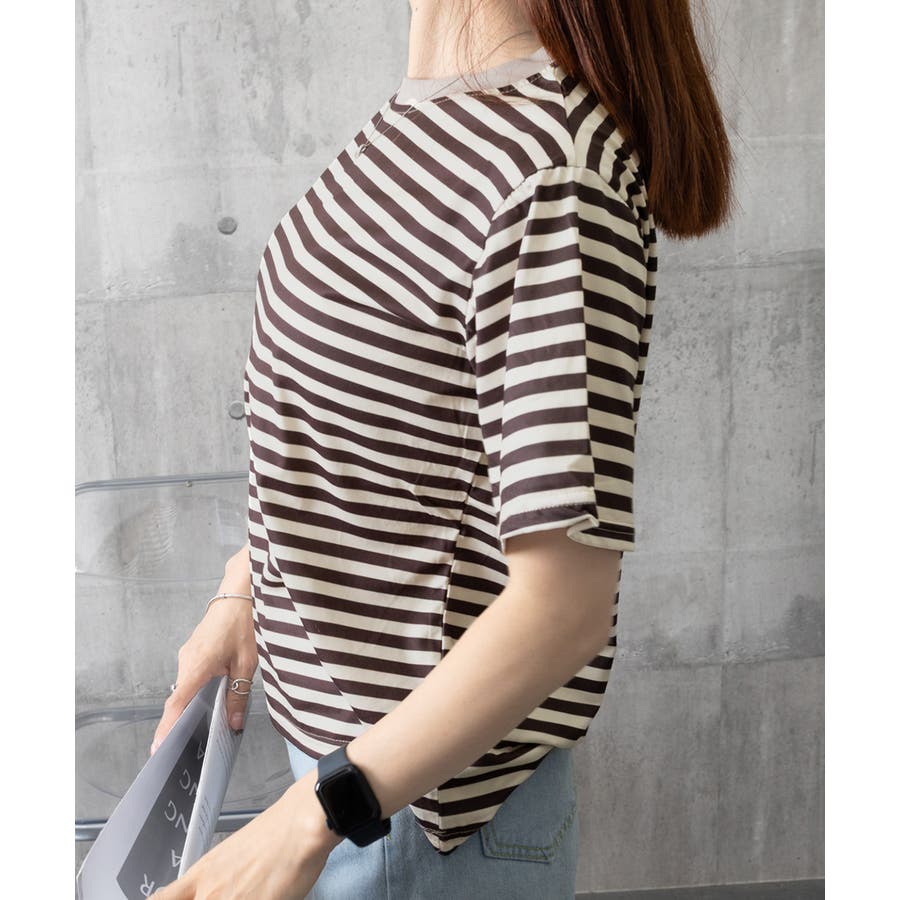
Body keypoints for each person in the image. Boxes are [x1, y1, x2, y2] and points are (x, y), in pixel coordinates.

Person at [150, 0, 734, 897]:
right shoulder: (424, 121)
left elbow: (564, 605)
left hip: (405, 825)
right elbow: (384, 444)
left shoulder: (550, 178)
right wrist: (248, 586)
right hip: (352, 794)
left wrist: (313, 817)